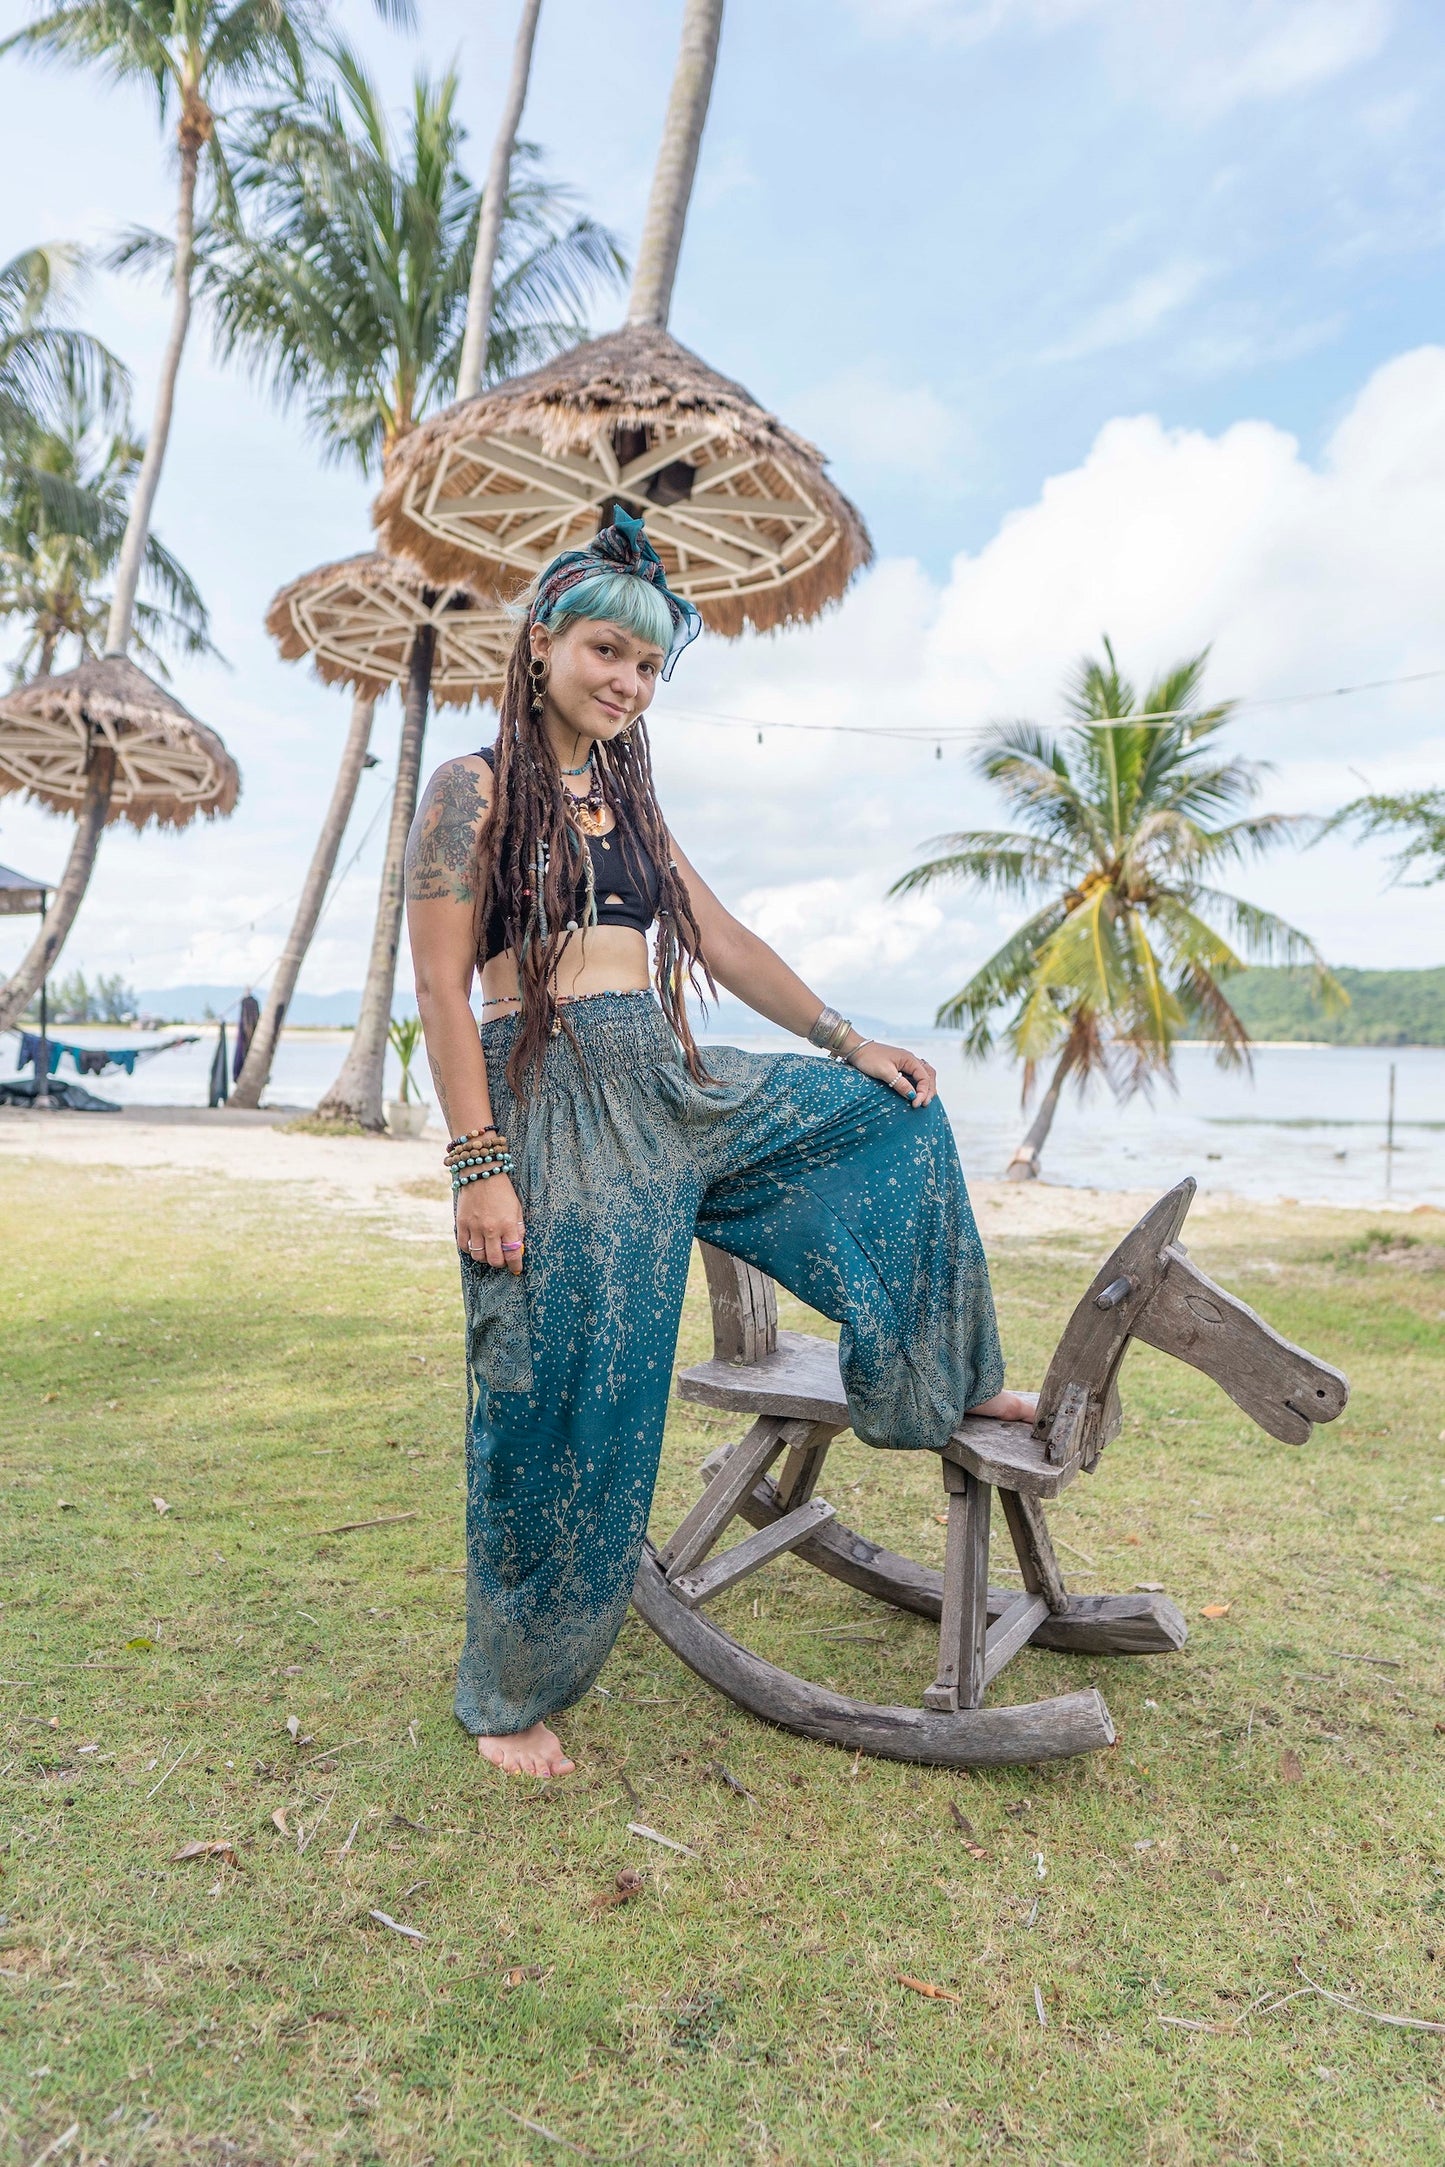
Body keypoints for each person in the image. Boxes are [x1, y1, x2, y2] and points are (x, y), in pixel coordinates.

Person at [405, 512, 1033, 1780]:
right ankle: (510, 1686)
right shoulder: (465, 789)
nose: (625, 683)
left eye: (644, 668)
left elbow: (724, 940)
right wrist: (479, 1163)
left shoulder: (628, 796)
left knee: (887, 1119)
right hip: (557, 1103)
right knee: (564, 1402)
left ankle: (939, 1369)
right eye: (602, 653)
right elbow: (432, 989)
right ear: (540, 648)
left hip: (670, 1081)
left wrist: (847, 1037)